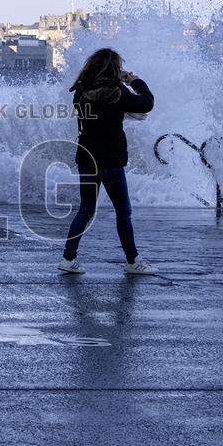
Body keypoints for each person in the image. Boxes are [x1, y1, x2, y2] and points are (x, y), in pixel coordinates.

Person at [58, 48, 157, 276]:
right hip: (110, 158)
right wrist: (136, 81)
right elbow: (146, 104)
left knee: (86, 209)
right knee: (123, 211)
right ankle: (133, 261)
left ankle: (68, 257)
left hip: (86, 155)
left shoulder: (81, 90)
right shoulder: (117, 92)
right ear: (113, 69)